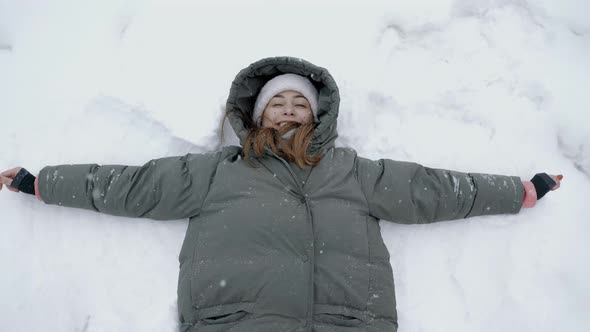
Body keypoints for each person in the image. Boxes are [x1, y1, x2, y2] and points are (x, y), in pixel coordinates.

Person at [0, 56, 562, 332]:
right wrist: (41, 182)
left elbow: (431, 189)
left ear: (318, 116)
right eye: (278, 103)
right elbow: (133, 185)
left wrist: (518, 192)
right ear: (257, 113)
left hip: (345, 320)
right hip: (240, 319)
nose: (290, 111)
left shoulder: (351, 171)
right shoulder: (220, 170)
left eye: (300, 104)